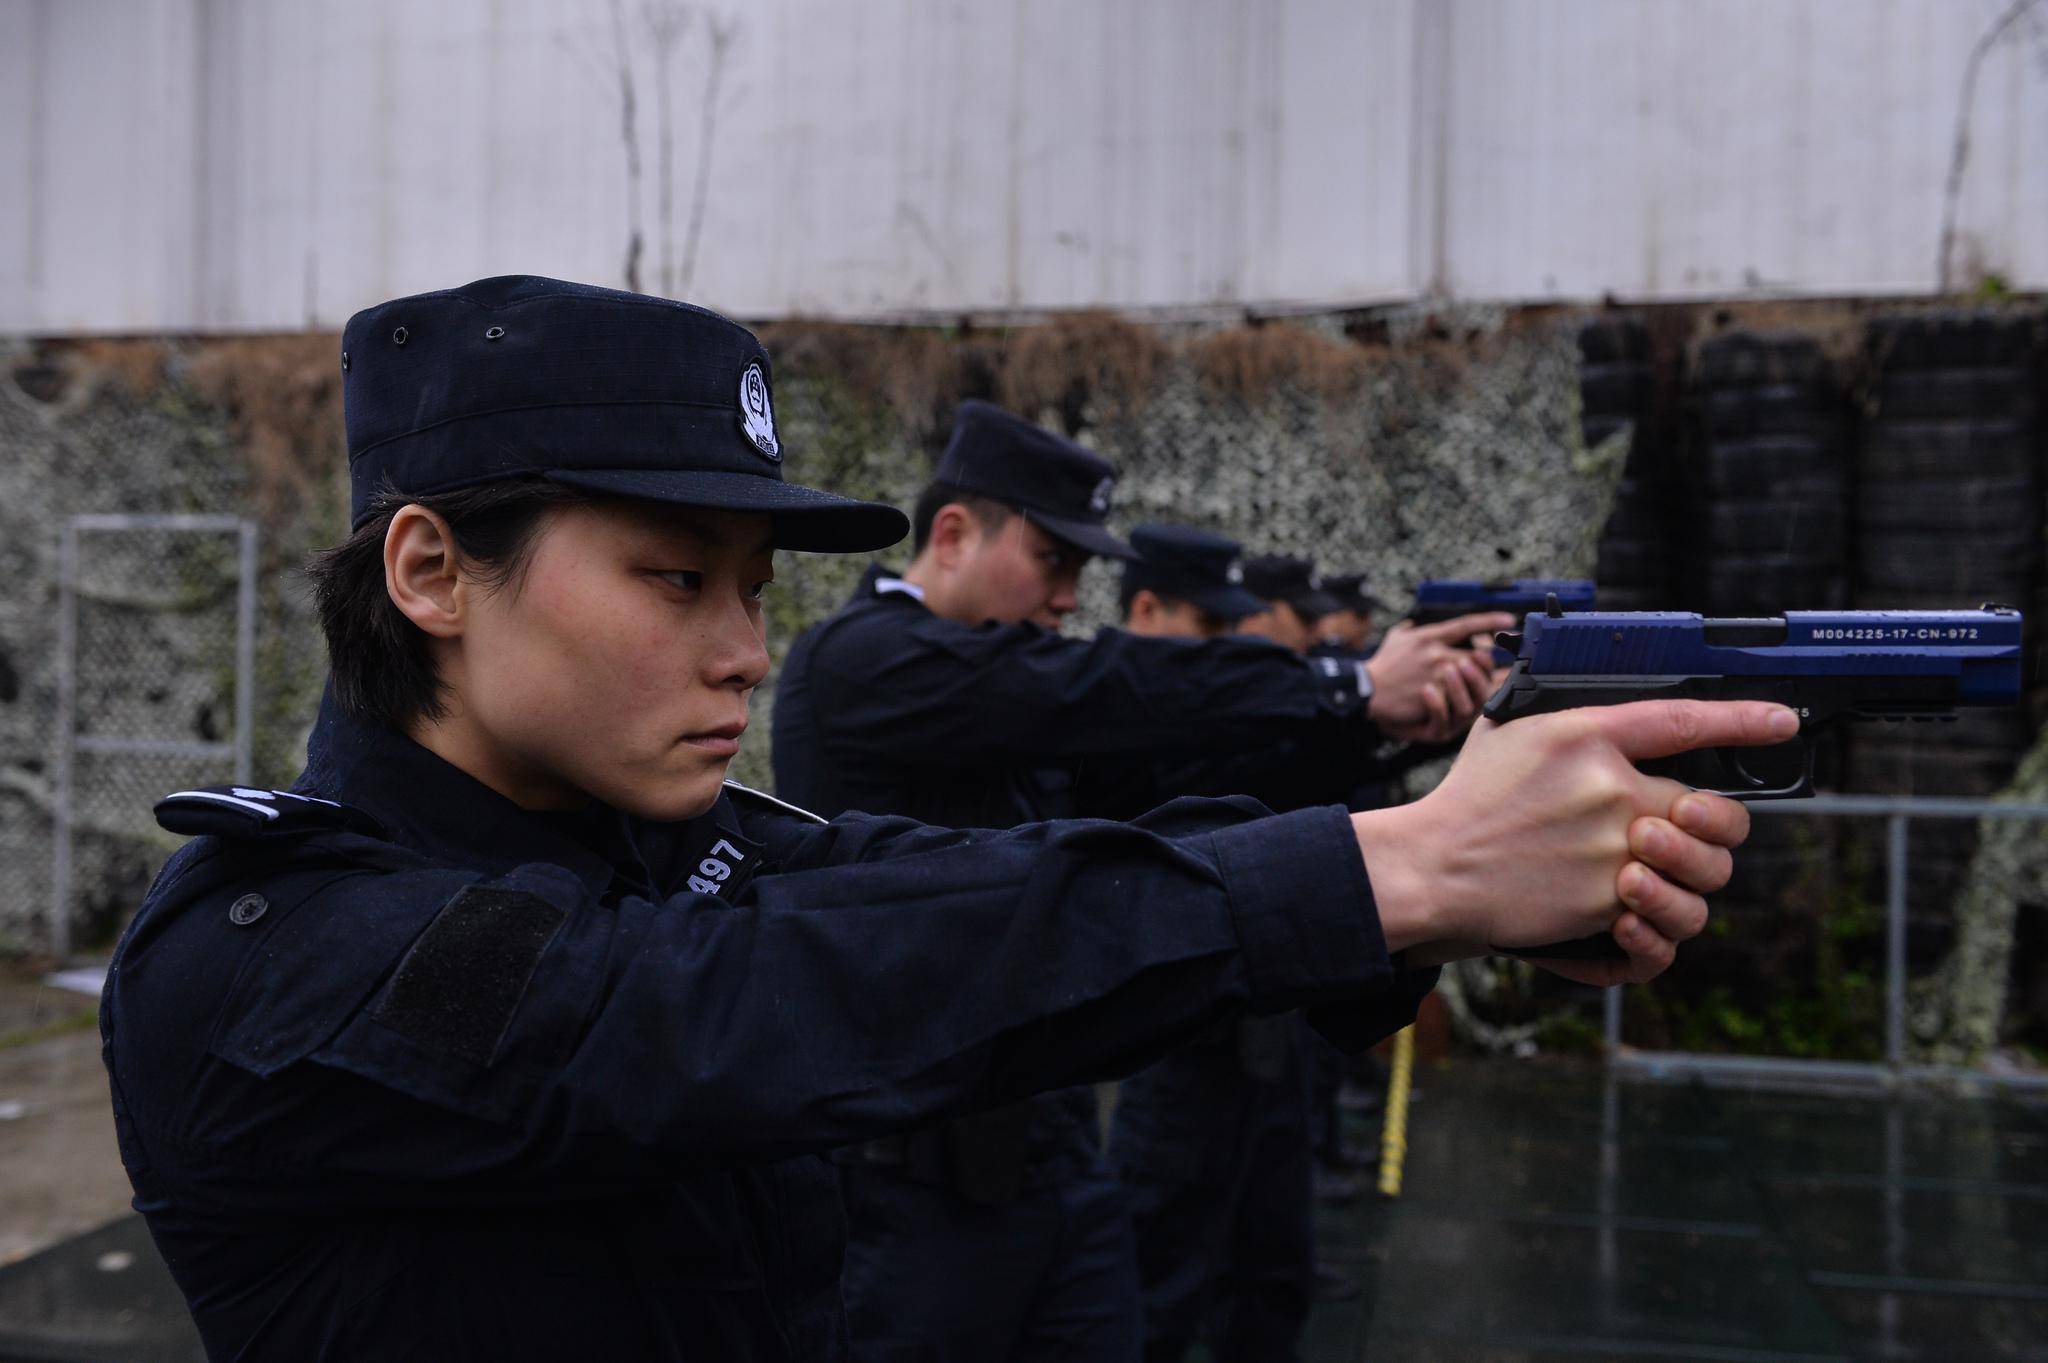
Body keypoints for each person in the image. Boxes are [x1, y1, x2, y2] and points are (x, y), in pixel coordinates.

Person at [104, 275, 1783, 1363]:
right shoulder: (278, 943)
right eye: (675, 578)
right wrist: (1404, 860)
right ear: (429, 570)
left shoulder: (659, 845)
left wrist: (1436, 886)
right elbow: (723, 999)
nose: (745, 648)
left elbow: (969, 888)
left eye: (754, 587)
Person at [772, 408, 1515, 1360]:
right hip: (904, 1174)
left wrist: (1383, 727)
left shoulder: (996, 690)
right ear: (953, 534)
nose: (1068, 597)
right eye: (1053, 561)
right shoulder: (863, 657)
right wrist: (1350, 684)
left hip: (1047, 1145)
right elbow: (1095, 685)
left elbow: (1183, 781)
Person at [1103, 524, 1333, 1362]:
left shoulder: (1205, 710)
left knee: (1270, 1260)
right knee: (1158, 1282)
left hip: (1256, 1025)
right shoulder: (1116, 727)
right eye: (1208, 628)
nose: (1227, 647)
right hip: (1179, 1040)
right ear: (1145, 611)